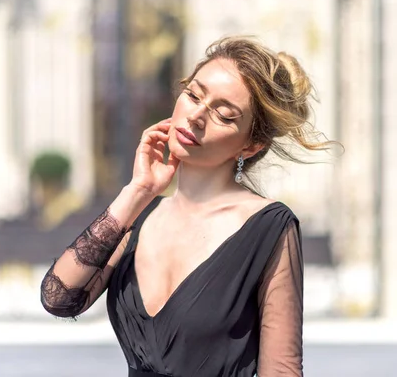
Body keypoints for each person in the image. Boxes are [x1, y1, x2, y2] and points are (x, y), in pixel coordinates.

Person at [40, 36, 332, 376]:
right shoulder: (142, 215)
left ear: (251, 146)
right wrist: (137, 192)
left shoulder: (268, 227)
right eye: (193, 95)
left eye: (224, 114)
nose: (196, 116)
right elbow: (59, 298)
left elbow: (281, 370)